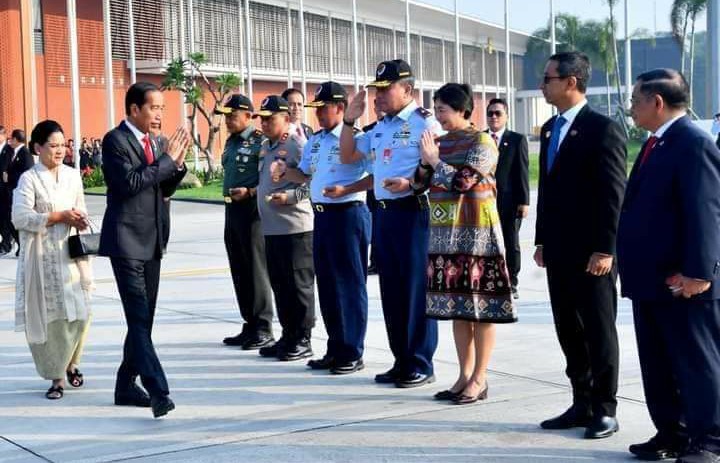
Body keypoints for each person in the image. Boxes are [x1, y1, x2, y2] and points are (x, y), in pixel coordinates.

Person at [619, 69, 720, 463]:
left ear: (656, 102)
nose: (631, 109)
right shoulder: (657, 143)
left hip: (683, 281)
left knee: (696, 362)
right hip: (652, 279)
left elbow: (705, 212)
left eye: (635, 101)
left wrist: (699, 273)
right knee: (659, 362)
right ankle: (672, 433)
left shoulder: (692, 142)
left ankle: (710, 440)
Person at [534, 51, 627, 439]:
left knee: (598, 329)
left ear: (571, 81)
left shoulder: (602, 128)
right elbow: (549, 192)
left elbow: (612, 195)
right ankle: (581, 401)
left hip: (593, 254)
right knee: (568, 327)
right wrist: (540, 239)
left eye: (549, 78)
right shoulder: (550, 128)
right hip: (558, 250)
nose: (544, 84)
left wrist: (605, 249)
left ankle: (604, 407)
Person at [340, 59, 442, 388]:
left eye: (386, 89)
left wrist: (411, 182)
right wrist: (349, 120)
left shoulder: (425, 123)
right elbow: (348, 156)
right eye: (377, 89)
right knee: (392, 290)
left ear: (407, 90)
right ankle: (401, 359)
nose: (379, 95)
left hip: (414, 212)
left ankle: (421, 362)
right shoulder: (380, 127)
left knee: (415, 290)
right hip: (384, 213)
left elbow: (437, 168)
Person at [415, 83, 516, 404]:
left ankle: (480, 378)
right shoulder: (440, 143)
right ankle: (463, 376)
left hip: (477, 236)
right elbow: (419, 183)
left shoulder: (482, 142)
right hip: (445, 236)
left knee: (481, 310)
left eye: (443, 109)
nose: (438, 116)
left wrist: (434, 161)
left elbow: (463, 182)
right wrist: (425, 162)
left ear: (462, 110)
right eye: (437, 109)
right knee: (459, 309)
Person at [99, 82, 190, 418]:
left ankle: (125, 385)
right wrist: (166, 160)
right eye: (153, 107)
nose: (158, 114)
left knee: (144, 320)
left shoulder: (155, 142)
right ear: (134, 109)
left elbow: (163, 186)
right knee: (138, 317)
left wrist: (176, 165)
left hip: (152, 240)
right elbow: (129, 184)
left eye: (162, 108)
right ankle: (158, 390)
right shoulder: (115, 141)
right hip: (125, 241)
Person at [272, 81, 371, 374]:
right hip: (323, 216)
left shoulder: (357, 138)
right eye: (316, 109)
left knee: (350, 285)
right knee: (327, 285)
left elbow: (374, 177)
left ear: (341, 108)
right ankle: (335, 346)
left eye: (324, 108)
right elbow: (303, 175)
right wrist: (283, 172)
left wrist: (347, 189)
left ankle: (352, 350)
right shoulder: (315, 140)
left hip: (348, 213)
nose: (319, 114)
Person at [12, 120, 93, 400]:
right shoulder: (29, 179)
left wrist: (81, 220)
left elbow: (81, 209)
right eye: (52, 145)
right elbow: (20, 217)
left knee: (81, 314)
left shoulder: (72, 176)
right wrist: (58, 216)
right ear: (37, 148)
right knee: (52, 320)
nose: (59, 151)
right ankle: (57, 378)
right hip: (42, 258)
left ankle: (72, 362)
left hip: (72, 256)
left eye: (63, 145)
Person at [254, 95, 316, 361]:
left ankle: (303, 338)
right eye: (263, 119)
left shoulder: (297, 145)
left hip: (295, 227)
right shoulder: (267, 146)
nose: (265, 124)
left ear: (286, 119)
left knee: (298, 284)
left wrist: (290, 197)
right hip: (272, 228)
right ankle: (288, 334)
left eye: (271, 119)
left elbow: (314, 181)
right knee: (280, 284)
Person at [216, 94, 275, 350]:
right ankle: (249, 323)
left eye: (233, 115)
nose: (228, 120)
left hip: (251, 210)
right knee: (239, 268)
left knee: (256, 270)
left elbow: (269, 178)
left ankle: (263, 326)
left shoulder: (260, 142)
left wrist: (250, 192)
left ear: (249, 116)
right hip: (232, 211)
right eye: (226, 115)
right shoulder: (230, 142)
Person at [485, 98, 529, 299]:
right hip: (484, 202)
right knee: (487, 242)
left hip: (509, 202)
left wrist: (524, 201)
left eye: (498, 113)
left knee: (510, 242)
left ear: (506, 116)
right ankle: (491, 278)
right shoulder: (481, 138)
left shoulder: (517, 140)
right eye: (490, 113)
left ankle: (512, 281)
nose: (494, 117)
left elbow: (522, 171)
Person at [362, 100, 385, 275]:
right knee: (375, 223)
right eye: (378, 107)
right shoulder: (368, 131)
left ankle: (383, 259)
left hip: (391, 184)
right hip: (372, 185)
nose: (381, 110)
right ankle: (375, 260)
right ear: (374, 108)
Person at [5, 129, 34, 257]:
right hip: (11, 192)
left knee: (15, 220)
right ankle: (20, 244)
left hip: (20, 193)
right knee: (9, 220)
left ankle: (24, 246)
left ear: (16, 139)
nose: (10, 140)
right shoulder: (14, 152)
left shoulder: (25, 153)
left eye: (11, 138)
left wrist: (9, 177)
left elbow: (26, 173)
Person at [0, 125, 13, 254]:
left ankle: (6, 243)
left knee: (5, 218)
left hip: (5, 189)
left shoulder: (9, 150)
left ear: (4, 135)